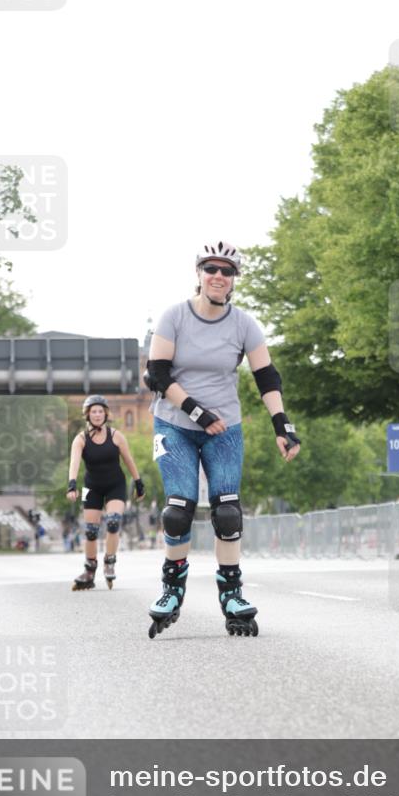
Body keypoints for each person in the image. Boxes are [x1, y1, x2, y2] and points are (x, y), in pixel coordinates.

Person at [144, 240, 300, 638]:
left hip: (225, 428)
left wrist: (282, 425)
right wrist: (197, 412)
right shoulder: (174, 316)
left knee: (228, 511)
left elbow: (267, 377)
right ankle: (171, 589)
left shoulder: (244, 324)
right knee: (178, 509)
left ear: (234, 279)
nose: (218, 276)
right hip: (174, 424)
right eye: (210, 268)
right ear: (198, 273)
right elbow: (157, 374)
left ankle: (232, 594)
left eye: (226, 271)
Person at [66, 395, 145, 590]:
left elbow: (128, 459)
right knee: (90, 530)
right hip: (91, 487)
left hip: (115, 485)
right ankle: (89, 570)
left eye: (100, 411)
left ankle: (109, 562)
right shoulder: (80, 439)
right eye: (94, 411)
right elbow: (74, 462)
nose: (97, 414)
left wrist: (138, 482)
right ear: (88, 414)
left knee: (113, 522)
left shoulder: (116, 436)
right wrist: (72, 484)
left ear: (106, 414)